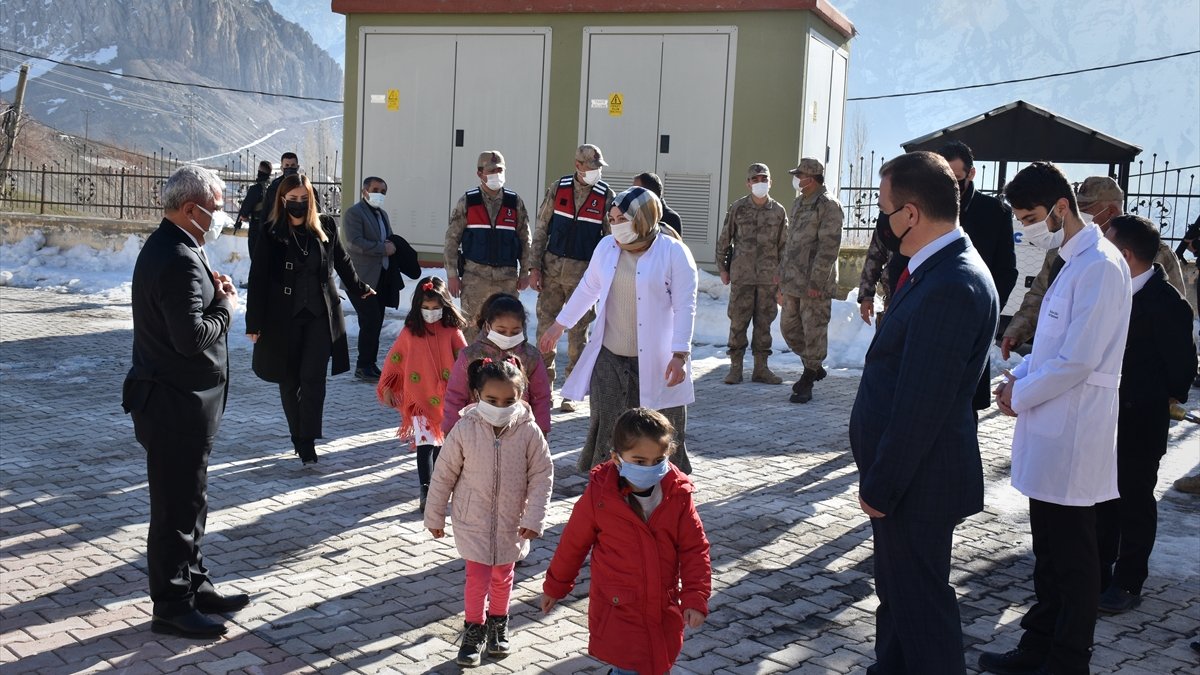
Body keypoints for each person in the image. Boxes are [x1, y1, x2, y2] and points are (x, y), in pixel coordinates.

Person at [848, 151, 999, 674]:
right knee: (900, 597)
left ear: (910, 214)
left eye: (884, 210)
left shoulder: (953, 284)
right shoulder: (932, 267)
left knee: (922, 608)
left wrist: (881, 485)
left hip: (916, 482)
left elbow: (921, 405)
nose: (880, 224)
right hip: (908, 479)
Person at [984, 162, 1132, 675]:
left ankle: (1068, 659)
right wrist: (1017, 377)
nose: (1025, 226)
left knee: (1073, 559)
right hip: (1050, 423)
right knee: (1048, 552)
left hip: (1073, 430)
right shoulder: (1071, 260)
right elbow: (1049, 345)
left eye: (1029, 216)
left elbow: (1078, 359)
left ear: (1060, 208)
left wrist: (1021, 395)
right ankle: (1038, 645)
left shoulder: (1101, 266)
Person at [121, 165, 249, 639]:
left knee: (191, 501)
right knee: (174, 510)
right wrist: (225, 308)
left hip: (183, 404)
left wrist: (214, 295)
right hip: (173, 405)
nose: (221, 216)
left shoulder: (180, 248)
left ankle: (195, 584)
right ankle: (172, 603)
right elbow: (190, 337)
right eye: (215, 208)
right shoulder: (175, 256)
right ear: (190, 209)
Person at [538, 186, 698, 473]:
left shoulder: (674, 253)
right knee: (609, 425)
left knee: (658, 427)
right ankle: (605, 485)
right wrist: (560, 325)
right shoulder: (607, 247)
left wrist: (680, 354)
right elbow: (588, 288)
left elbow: (685, 307)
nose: (615, 225)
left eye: (621, 218)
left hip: (658, 360)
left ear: (643, 218)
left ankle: (667, 487)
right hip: (610, 356)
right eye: (611, 219)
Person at [540, 407, 711, 675]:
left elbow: (694, 548)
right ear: (617, 458)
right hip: (617, 605)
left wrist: (695, 597)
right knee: (632, 666)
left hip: (662, 604)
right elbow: (573, 544)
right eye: (640, 461)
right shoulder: (600, 496)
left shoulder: (678, 494)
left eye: (657, 460)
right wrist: (555, 586)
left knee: (657, 663)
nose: (649, 468)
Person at [1095, 215, 1196, 613]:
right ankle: (1099, 572)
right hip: (1102, 415)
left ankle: (1128, 583)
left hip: (1140, 418)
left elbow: (1180, 368)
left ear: (1125, 254)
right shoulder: (1106, 288)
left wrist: (1151, 396)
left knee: (1134, 501)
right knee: (1101, 499)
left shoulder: (1166, 302)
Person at [424, 359, 554, 668]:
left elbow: (542, 475)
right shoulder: (464, 429)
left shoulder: (529, 432)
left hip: (513, 522)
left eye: (509, 401)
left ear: (520, 397)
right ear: (477, 395)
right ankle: (473, 628)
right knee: (476, 578)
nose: (500, 406)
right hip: (473, 521)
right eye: (492, 400)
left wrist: (534, 517)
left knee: (503, 577)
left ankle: (498, 624)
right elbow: (443, 474)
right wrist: (435, 514)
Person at [246, 174, 374, 464]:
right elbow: (258, 278)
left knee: (313, 378)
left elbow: (341, 260)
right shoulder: (270, 231)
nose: (299, 204)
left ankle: (308, 439)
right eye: (293, 200)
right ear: (282, 200)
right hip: (282, 318)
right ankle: (297, 434)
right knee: (289, 380)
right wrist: (253, 323)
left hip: (320, 314)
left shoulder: (325, 225)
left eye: (304, 199)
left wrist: (358, 287)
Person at [1001, 175, 1184, 359]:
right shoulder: (1063, 249)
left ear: (1111, 211)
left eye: (1086, 210)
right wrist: (1018, 329)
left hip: (1138, 356)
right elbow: (1041, 292)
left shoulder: (1152, 249)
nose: (1079, 215)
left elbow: (1175, 310)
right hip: (1072, 352)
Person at [527, 144, 617, 412]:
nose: (596, 172)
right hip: (552, 271)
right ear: (578, 165)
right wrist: (534, 267)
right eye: (592, 166)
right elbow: (541, 228)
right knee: (546, 330)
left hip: (584, 276)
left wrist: (604, 277)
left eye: (599, 167)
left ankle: (572, 391)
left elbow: (610, 240)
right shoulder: (559, 188)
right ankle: (544, 388)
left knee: (579, 334)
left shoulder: (606, 195)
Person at [934, 141, 1018, 413]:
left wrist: (988, 311)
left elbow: (1007, 270)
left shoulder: (994, 213)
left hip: (973, 320)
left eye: (956, 179)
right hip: (932, 317)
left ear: (971, 174)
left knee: (964, 406)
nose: (951, 187)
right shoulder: (928, 207)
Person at [376, 277, 468, 512]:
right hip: (420, 398)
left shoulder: (452, 331)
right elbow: (395, 358)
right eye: (425, 308)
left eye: (436, 308)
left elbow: (466, 360)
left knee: (442, 447)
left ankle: (439, 487)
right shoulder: (410, 331)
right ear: (418, 305)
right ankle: (425, 490)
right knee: (425, 443)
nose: (430, 313)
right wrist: (388, 386)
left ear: (445, 305)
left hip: (449, 401)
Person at [444, 151, 532, 344]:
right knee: (471, 330)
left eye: (500, 169)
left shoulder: (514, 202)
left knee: (506, 330)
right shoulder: (468, 201)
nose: (496, 174)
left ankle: (503, 371)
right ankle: (472, 372)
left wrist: (525, 272)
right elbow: (452, 240)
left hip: (507, 279)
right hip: (475, 278)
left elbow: (525, 240)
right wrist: (452, 274)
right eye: (491, 170)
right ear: (480, 173)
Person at [715, 162, 789, 385]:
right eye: (755, 180)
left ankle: (761, 369)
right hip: (742, 277)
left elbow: (785, 247)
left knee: (764, 324)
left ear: (770, 182)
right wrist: (722, 268)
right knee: (738, 322)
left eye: (764, 179)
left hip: (768, 279)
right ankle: (735, 368)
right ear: (748, 183)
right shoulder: (738, 208)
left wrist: (782, 280)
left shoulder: (778, 211)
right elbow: (724, 240)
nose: (760, 183)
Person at [443, 292, 552, 438]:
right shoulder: (470, 355)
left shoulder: (531, 357)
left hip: (519, 432)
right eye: (501, 331)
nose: (508, 336)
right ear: (488, 326)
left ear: (523, 327)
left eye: (515, 331)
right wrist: (451, 431)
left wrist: (541, 431)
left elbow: (541, 397)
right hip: (475, 433)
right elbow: (455, 396)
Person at [780, 157, 844, 404]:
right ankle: (814, 366)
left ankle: (807, 379)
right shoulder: (798, 203)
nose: (796, 179)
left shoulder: (828, 205)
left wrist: (817, 283)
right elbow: (790, 244)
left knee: (814, 329)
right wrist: (782, 277)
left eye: (800, 175)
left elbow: (829, 247)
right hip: (793, 281)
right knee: (788, 327)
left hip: (814, 284)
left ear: (812, 178)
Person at [341, 176, 396, 381]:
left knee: (375, 321)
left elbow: (389, 238)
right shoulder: (354, 213)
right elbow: (354, 243)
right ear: (365, 191)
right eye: (375, 189)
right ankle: (362, 366)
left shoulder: (382, 214)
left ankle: (369, 364)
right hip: (359, 278)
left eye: (383, 191)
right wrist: (383, 249)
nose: (379, 194)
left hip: (380, 276)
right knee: (370, 319)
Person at [262, 151, 319, 220]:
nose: (289, 168)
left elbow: (315, 210)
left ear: (297, 167)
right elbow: (266, 210)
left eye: (292, 165)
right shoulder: (274, 187)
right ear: (282, 168)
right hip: (279, 225)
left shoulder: (306, 186)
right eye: (287, 165)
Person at [235, 160, 273, 257]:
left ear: (259, 171)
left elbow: (245, 210)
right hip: (271, 227)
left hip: (257, 227)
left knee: (256, 257)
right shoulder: (272, 187)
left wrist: (241, 219)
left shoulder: (255, 189)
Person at [633, 171, 683, 237]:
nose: (632, 193)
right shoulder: (633, 213)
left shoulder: (671, 218)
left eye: (636, 190)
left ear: (649, 193)